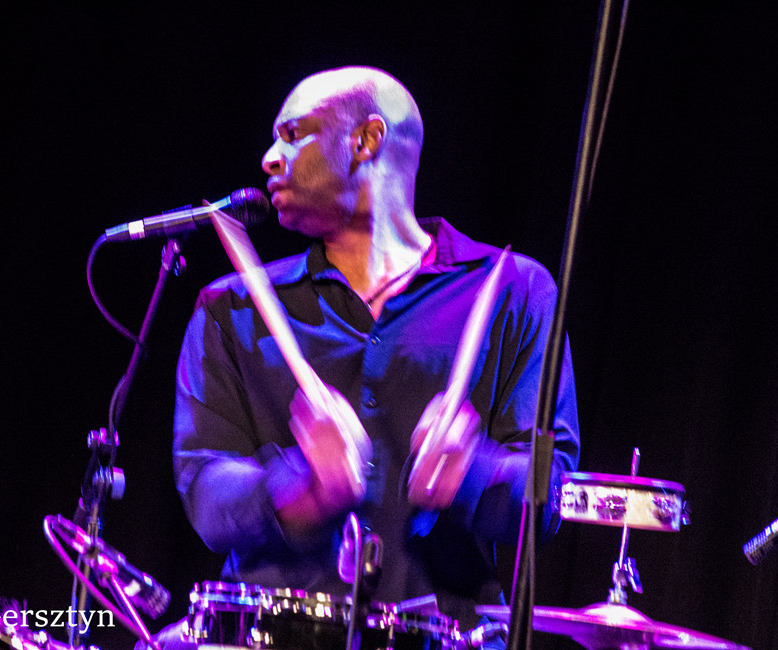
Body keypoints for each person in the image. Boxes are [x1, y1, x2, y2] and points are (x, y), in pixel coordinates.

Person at [163, 66, 579, 648]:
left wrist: (473, 474)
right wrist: (301, 492)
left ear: (366, 140)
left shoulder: (515, 291)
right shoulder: (231, 307)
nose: (269, 158)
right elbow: (205, 490)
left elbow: (552, 495)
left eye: (292, 135)